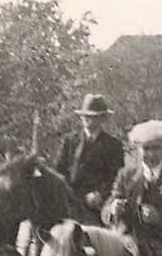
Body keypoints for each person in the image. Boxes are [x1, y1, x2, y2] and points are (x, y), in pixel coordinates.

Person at [103, 119, 162, 256]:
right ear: (138, 149)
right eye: (146, 149)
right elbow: (106, 211)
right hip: (129, 247)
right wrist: (113, 210)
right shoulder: (126, 175)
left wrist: (160, 219)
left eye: (156, 148)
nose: (151, 154)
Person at [54, 93, 126, 224]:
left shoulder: (113, 145)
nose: (87, 119)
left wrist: (100, 194)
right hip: (69, 201)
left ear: (102, 119)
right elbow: (59, 170)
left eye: (93, 117)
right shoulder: (70, 141)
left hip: (96, 205)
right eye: (85, 116)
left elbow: (116, 177)